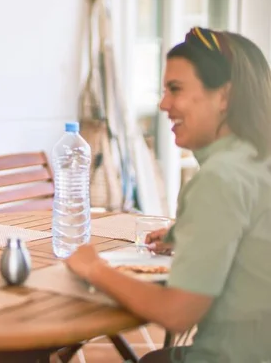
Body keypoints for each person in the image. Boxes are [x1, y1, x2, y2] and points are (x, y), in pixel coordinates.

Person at [66, 27, 271, 362]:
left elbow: (178, 313)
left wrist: (94, 269)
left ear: (225, 97)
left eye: (175, 89)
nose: (163, 104)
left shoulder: (220, 177)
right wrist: (187, 234)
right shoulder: (256, 159)